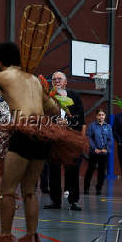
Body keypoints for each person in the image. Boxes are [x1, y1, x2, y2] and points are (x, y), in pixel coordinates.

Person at [0, 42, 85, 242]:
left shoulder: (3, 75)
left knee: (7, 190)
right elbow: (52, 109)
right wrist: (64, 113)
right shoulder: (34, 79)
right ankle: (30, 239)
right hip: (42, 134)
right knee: (30, 191)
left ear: (1, 62)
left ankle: (4, 240)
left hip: (23, 132)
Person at [44, 71, 86, 211]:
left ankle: (74, 200)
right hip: (53, 138)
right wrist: (55, 122)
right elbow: (42, 116)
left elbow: (80, 117)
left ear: (65, 82)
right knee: (54, 170)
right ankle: (55, 201)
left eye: (59, 79)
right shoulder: (47, 97)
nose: (56, 81)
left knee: (72, 169)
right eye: (54, 79)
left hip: (70, 138)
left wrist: (68, 121)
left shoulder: (74, 96)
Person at [83, 108, 113, 195]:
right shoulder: (92, 126)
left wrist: (106, 149)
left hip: (104, 153)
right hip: (94, 152)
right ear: (96, 116)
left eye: (102, 115)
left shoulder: (108, 127)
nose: (101, 116)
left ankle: (99, 187)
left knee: (102, 171)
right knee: (90, 169)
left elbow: (110, 139)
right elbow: (89, 138)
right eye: (99, 115)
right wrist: (94, 148)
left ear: (105, 116)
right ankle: (86, 187)